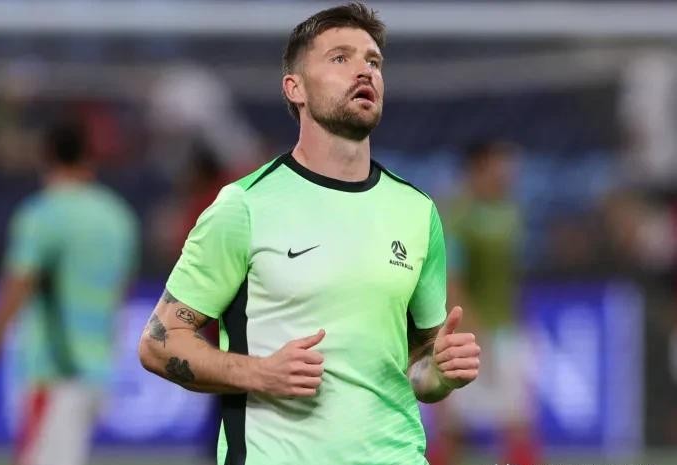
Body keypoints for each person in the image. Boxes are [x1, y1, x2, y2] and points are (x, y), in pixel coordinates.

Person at [138, 3, 480, 464]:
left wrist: (441, 373)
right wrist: (260, 373)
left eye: (373, 61)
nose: (364, 70)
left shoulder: (417, 212)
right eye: (340, 58)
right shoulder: (244, 206)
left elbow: (418, 369)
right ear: (294, 88)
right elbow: (159, 342)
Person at [0, 119, 139, 465]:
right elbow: (121, 292)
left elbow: (15, 290)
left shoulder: (43, 214)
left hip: (54, 369)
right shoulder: (118, 216)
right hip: (97, 369)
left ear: (46, 157)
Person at [435, 140, 539, 465]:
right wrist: (472, 331)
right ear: (478, 168)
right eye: (499, 163)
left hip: (508, 330)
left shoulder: (510, 213)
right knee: (453, 426)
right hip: (470, 334)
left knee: (518, 419)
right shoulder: (457, 217)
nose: (507, 171)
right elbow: (452, 280)